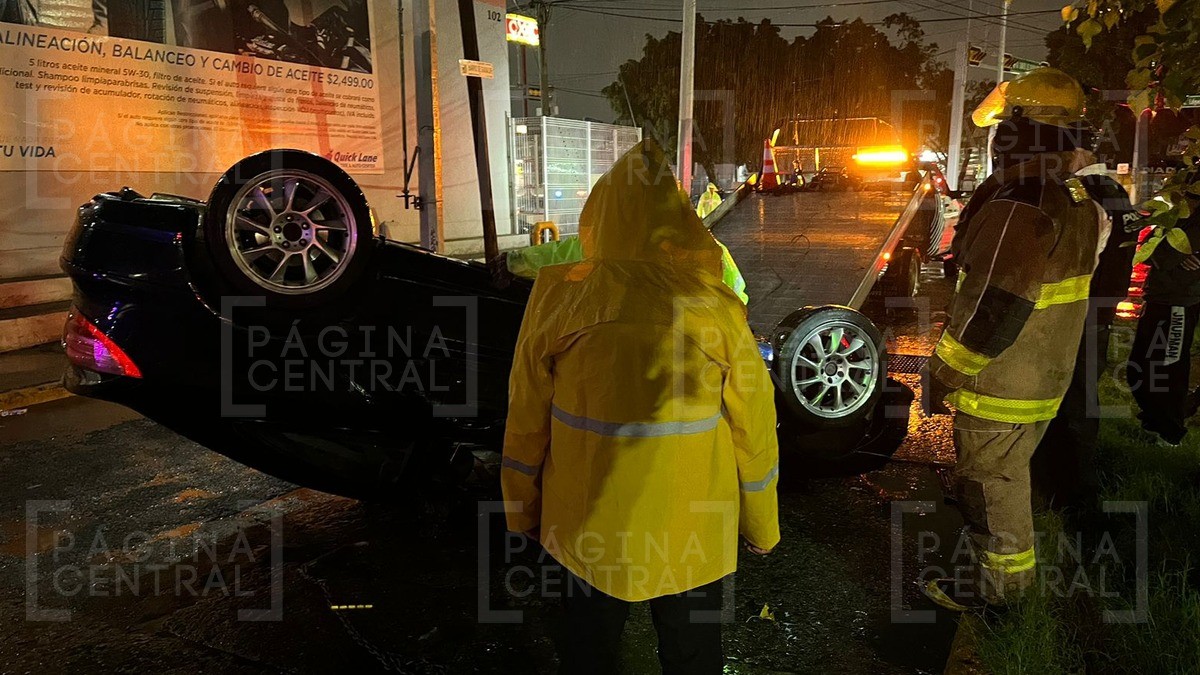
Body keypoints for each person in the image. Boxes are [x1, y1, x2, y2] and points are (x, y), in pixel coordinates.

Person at [502, 140, 780, 674]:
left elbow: (525, 417)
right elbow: (754, 427)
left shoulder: (559, 298)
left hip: (586, 532)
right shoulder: (717, 308)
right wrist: (762, 526)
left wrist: (521, 512)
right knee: (693, 660)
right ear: (675, 221)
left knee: (588, 656)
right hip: (693, 535)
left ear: (598, 214)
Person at [923, 67, 1109, 611]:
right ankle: (1005, 583)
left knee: (989, 485)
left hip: (1001, 383)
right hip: (1042, 376)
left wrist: (942, 374)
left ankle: (1004, 600)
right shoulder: (1071, 197)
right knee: (1007, 480)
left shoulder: (1021, 203)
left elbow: (994, 305)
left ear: (1022, 129)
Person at [1030, 153, 1145, 508]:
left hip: (1078, 309)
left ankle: (1066, 488)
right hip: (1099, 309)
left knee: (1070, 396)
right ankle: (1070, 481)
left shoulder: (1085, 194)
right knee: (1082, 393)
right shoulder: (1113, 192)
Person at [1126, 212, 1200, 446]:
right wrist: (1166, 251)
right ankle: (1155, 419)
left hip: (1180, 301)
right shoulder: (1178, 212)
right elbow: (1145, 251)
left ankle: (1170, 432)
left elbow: (1160, 255)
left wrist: (1165, 251)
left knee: (1169, 368)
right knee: (1141, 364)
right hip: (1160, 297)